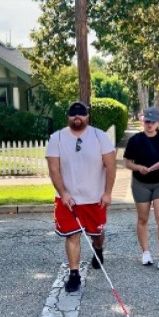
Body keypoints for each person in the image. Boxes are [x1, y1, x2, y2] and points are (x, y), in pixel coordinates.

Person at [45, 101, 116, 292]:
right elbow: (53, 169)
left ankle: (98, 249)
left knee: (97, 234)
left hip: (95, 198)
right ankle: (74, 275)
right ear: (68, 117)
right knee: (72, 235)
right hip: (69, 200)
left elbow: (111, 165)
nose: (77, 117)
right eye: (73, 114)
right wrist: (64, 193)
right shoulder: (57, 138)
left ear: (87, 116)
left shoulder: (99, 136)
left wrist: (108, 193)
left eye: (81, 114)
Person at [123, 106, 159, 271]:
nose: (149, 125)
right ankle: (146, 253)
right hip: (140, 183)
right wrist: (139, 167)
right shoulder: (135, 140)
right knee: (143, 219)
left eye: (153, 122)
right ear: (143, 121)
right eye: (147, 121)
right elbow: (127, 163)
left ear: (158, 122)